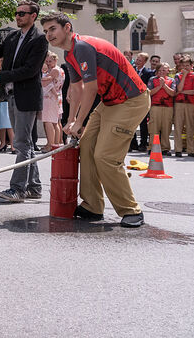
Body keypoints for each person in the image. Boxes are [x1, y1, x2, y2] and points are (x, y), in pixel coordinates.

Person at [41, 12, 148, 228]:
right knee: (87, 145)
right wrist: (71, 120)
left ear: (67, 28)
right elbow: (76, 88)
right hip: (110, 102)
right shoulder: (70, 53)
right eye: (45, 31)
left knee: (105, 157)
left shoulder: (82, 47)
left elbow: (90, 89)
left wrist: (79, 122)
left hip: (131, 100)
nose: (48, 35)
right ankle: (92, 206)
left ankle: (131, 210)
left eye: (52, 29)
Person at [0, 1, 48, 202]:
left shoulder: (39, 39)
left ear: (33, 16)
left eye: (22, 13)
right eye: (17, 13)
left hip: (27, 96)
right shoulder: (13, 36)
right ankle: (34, 187)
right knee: (25, 143)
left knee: (21, 143)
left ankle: (18, 189)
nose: (18, 16)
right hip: (11, 94)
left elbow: (30, 70)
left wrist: (2, 76)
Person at [172, 54, 194, 158]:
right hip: (179, 103)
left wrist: (183, 91)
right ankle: (178, 149)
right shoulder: (177, 76)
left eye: (187, 65)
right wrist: (183, 76)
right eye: (183, 65)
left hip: (190, 104)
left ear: (191, 66)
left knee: (190, 127)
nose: (185, 67)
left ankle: (190, 149)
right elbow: (178, 89)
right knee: (178, 126)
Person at [147, 63, 175, 154]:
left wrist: (164, 85)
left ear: (167, 71)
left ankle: (165, 148)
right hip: (155, 106)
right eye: (159, 70)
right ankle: (152, 147)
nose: (161, 72)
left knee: (166, 128)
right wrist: (159, 86)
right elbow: (149, 92)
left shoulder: (171, 80)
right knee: (153, 128)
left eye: (164, 70)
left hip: (168, 107)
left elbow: (173, 93)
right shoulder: (152, 79)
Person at [40, 52, 64, 151]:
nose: (48, 63)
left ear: (55, 60)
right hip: (56, 97)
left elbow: (45, 82)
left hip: (50, 98)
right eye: (46, 61)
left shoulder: (54, 70)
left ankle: (51, 145)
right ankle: (55, 144)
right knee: (55, 122)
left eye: (50, 61)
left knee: (48, 121)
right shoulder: (60, 69)